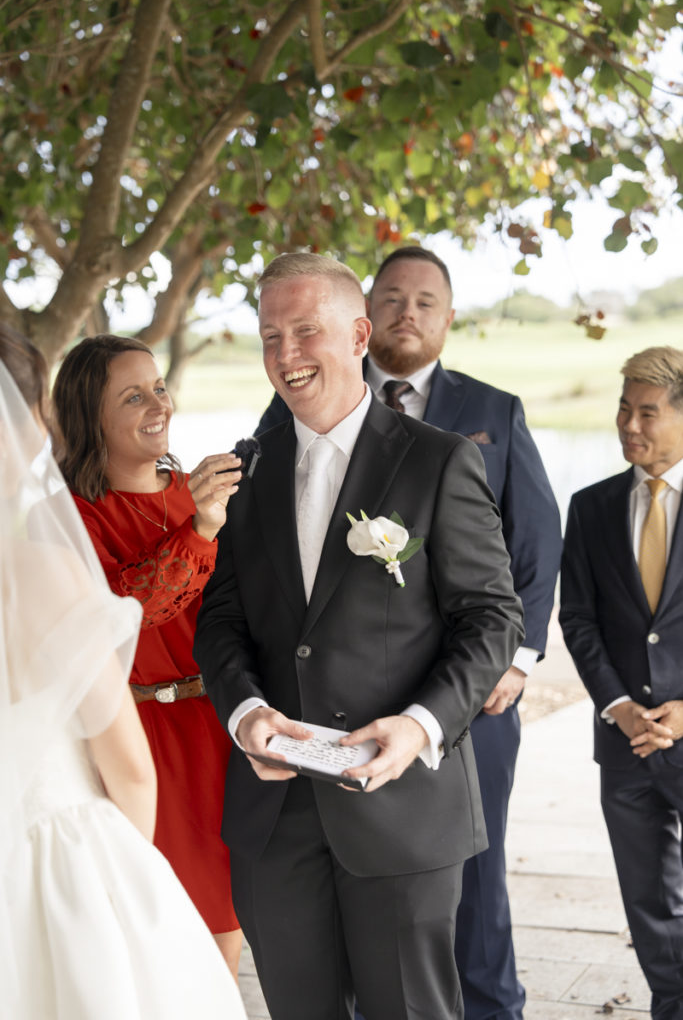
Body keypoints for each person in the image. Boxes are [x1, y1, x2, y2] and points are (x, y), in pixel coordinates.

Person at [194, 252, 525, 1020]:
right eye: (269, 335)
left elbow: (490, 618)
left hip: (403, 808)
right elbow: (221, 621)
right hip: (275, 818)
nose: (285, 353)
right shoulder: (246, 470)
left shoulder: (438, 460)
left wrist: (420, 726)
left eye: (304, 330)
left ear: (357, 335)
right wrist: (245, 714)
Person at [0, 323, 246, 1020]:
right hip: (138, 729)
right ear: (89, 417)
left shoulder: (199, 491)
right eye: (132, 397)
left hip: (221, 725)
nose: (158, 404)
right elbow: (129, 612)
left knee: (230, 919)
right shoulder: (68, 517)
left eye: (158, 387)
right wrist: (200, 530)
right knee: (166, 930)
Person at [560, 345, 683, 1020]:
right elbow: (577, 619)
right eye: (622, 409)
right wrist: (618, 706)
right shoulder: (591, 506)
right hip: (625, 742)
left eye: (647, 412)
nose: (629, 425)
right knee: (647, 901)